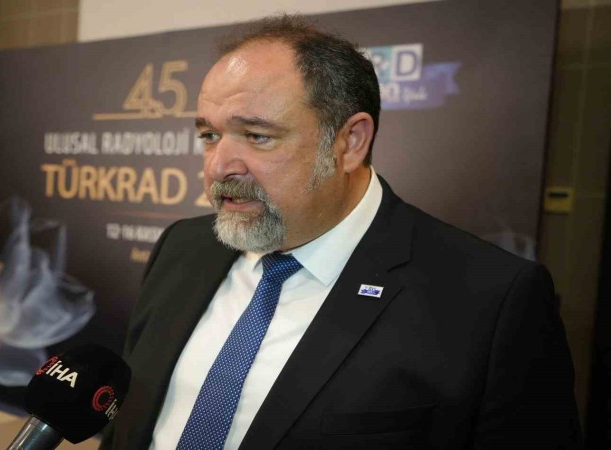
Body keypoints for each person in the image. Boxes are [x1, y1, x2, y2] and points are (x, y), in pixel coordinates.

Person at [100, 15, 581, 450]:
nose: (219, 166)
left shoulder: (491, 302)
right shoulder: (184, 247)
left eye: (257, 136)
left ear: (350, 142)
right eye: (209, 135)